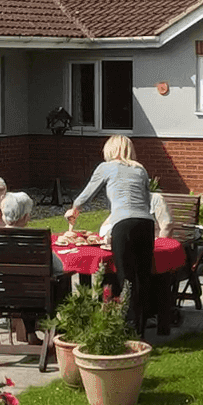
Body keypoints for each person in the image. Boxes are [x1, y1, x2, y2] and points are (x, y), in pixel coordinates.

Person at [66, 135, 161, 334]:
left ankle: (125, 325)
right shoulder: (140, 168)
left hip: (123, 225)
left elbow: (87, 193)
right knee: (143, 275)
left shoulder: (106, 167)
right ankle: (142, 328)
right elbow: (145, 201)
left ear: (110, 150)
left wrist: (74, 210)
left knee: (125, 276)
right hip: (145, 224)